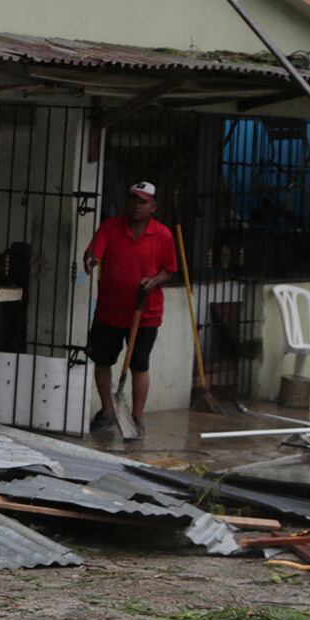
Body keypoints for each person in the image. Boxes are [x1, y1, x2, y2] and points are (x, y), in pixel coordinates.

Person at [83, 181, 178, 440]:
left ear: (153, 207)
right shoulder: (111, 228)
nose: (138, 206)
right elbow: (94, 253)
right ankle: (107, 410)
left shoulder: (163, 235)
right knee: (102, 360)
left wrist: (153, 281)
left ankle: (137, 416)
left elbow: (169, 270)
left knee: (139, 365)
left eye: (144, 202)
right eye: (134, 200)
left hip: (145, 313)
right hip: (110, 311)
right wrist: (91, 260)